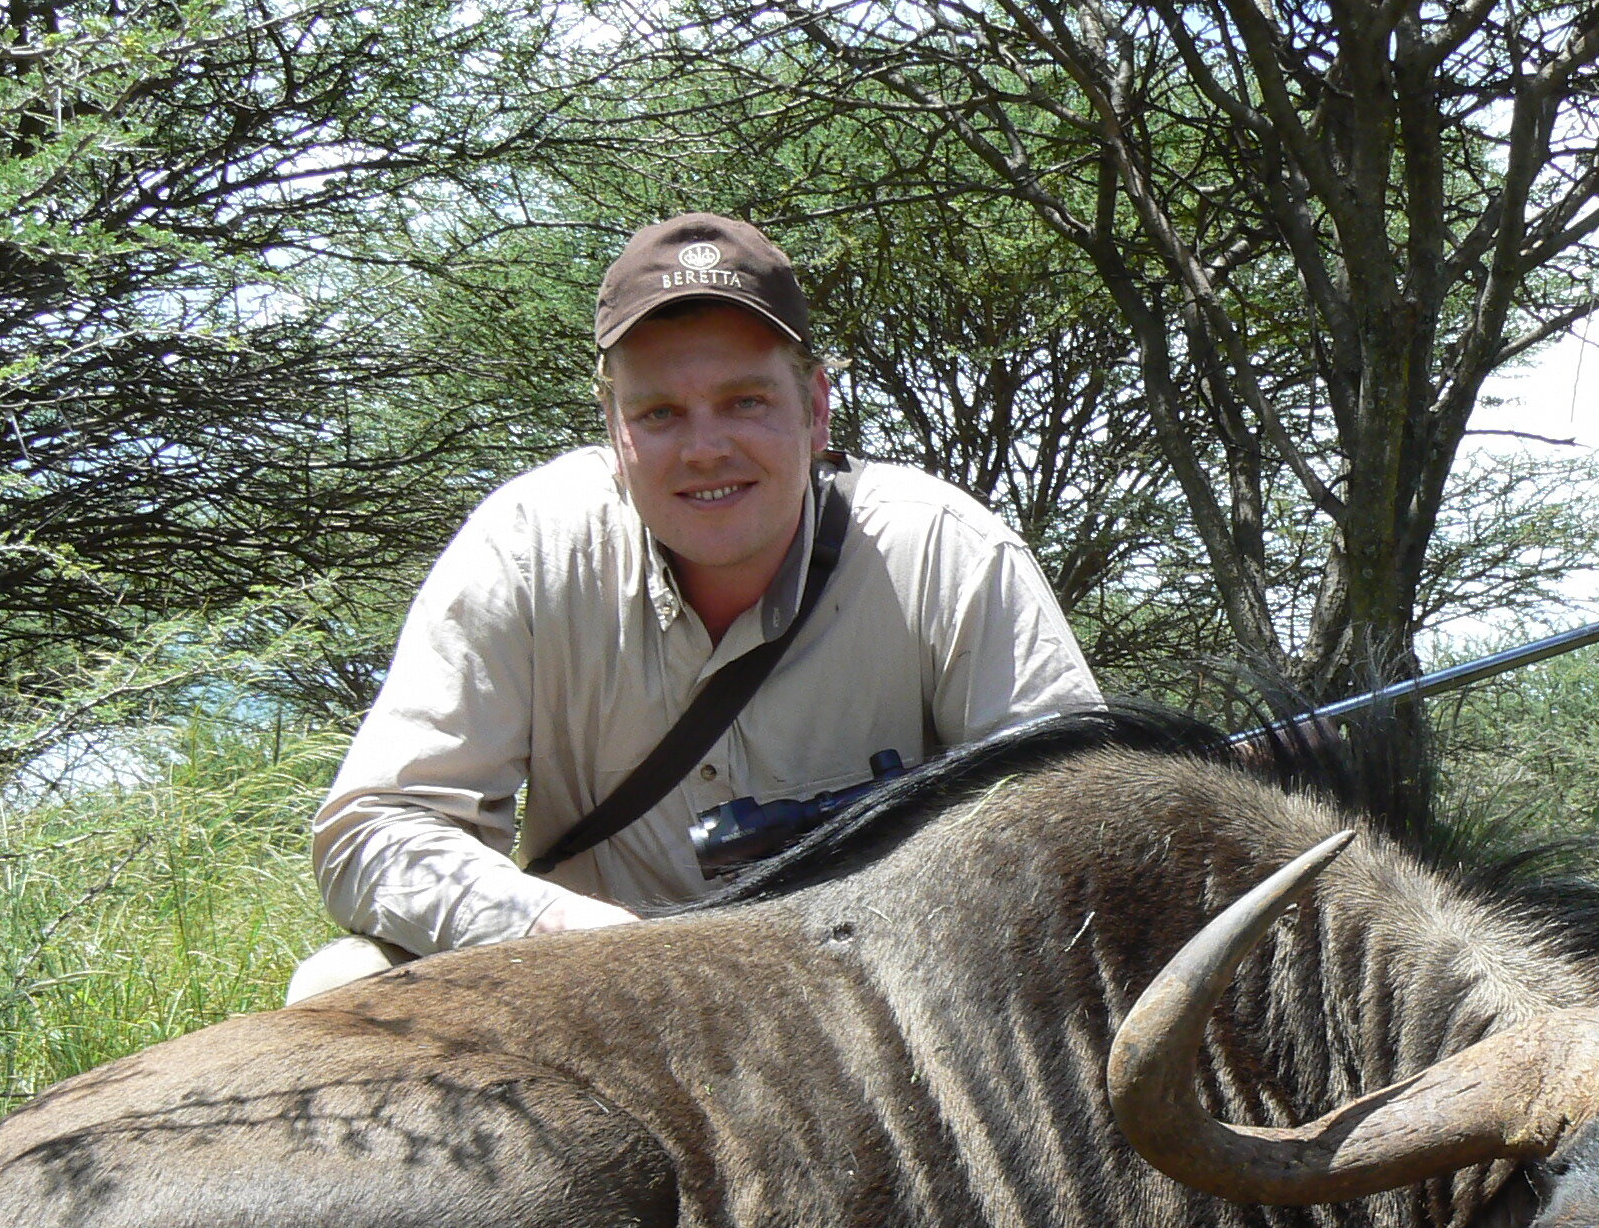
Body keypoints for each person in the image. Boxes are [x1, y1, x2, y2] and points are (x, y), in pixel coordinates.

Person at [287, 213, 1103, 1003]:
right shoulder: (527, 545)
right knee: (339, 983)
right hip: (592, 1002)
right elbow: (378, 827)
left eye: (746, 401)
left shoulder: (949, 551)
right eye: (659, 414)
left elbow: (1078, 836)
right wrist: (556, 930)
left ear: (816, 409)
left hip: (877, 1016)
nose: (706, 448)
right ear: (613, 428)